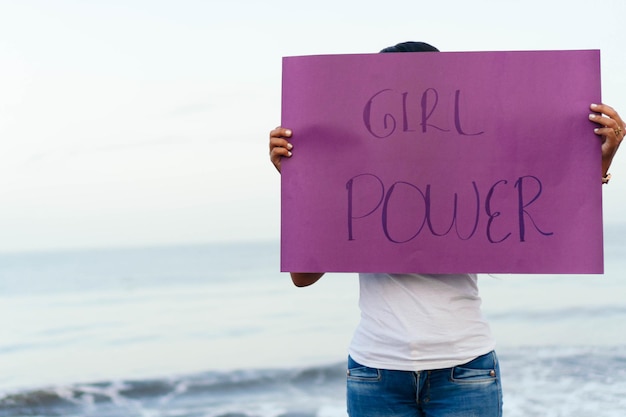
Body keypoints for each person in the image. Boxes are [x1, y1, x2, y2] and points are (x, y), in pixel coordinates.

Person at [268, 41, 624, 417]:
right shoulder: (352, 179)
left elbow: (550, 222)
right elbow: (303, 276)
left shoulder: (478, 169)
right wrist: (299, 183)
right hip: (376, 372)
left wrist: (599, 161)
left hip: (463, 368)